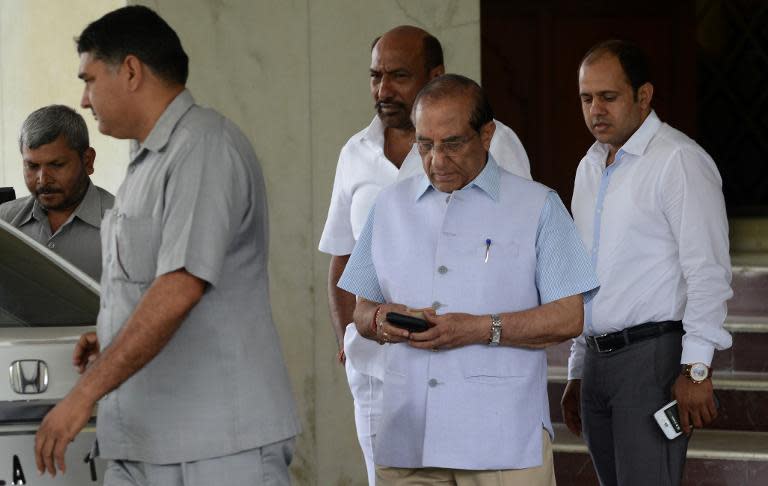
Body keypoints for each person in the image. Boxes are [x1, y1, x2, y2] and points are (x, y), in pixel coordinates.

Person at [33, 6, 300, 485]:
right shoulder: (145, 162)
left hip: (217, 447)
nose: (85, 100)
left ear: (131, 71)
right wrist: (114, 332)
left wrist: (82, 394)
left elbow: (179, 287)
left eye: (90, 80)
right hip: (146, 441)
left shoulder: (203, 148)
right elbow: (153, 283)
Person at [338, 74, 599, 486]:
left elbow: (569, 318)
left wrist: (479, 329)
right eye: (424, 145)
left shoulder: (538, 206)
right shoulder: (389, 207)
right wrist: (380, 320)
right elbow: (362, 307)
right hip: (409, 441)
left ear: (487, 134)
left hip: (502, 444)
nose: (437, 161)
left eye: (453, 144)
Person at [318, 25, 531, 484]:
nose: (383, 90)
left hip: (472, 371)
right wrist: (349, 342)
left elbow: (518, 244)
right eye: (376, 76)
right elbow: (341, 257)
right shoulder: (354, 153)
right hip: (381, 379)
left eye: (398, 75)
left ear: (435, 74)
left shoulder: (494, 143)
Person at [561, 40, 732, 486]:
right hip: (598, 361)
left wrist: (695, 369)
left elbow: (708, 272)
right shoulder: (589, 167)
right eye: (586, 98)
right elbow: (586, 275)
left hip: (653, 361)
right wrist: (578, 368)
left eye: (609, 97)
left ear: (644, 96)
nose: (596, 109)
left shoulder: (678, 160)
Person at [0, 105, 113, 281]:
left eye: (57, 165)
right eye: (32, 166)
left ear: (88, 161)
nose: (43, 180)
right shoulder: (4, 222)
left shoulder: (128, 225)